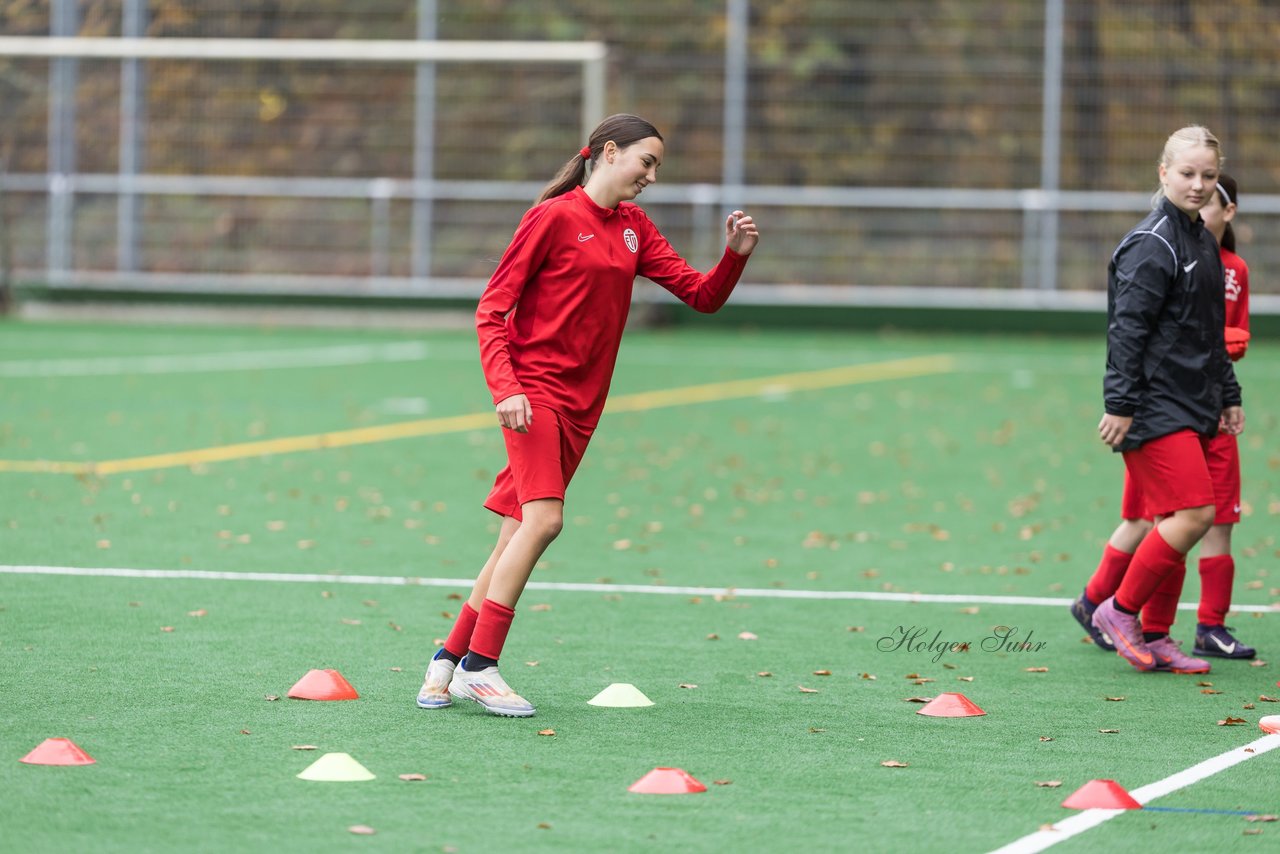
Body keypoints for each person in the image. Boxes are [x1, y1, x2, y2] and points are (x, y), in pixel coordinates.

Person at [415, 114, 759, 716]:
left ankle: (446, 660)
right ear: (609, 152)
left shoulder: (634, 228)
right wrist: (506, 389)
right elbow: (491, 310)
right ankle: (480, 666)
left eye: (657, 167)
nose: (652, 176)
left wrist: (734, 257)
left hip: (582, 406)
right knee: (544, 522)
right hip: (533, 396)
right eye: (646, 162)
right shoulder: (552, 217)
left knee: (513, 538)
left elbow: (701, 296)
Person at [1070, 172, 1255, 664]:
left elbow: (1210, 335)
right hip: (1158, 405)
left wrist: (1228, 393)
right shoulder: (1154, 243)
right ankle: (1112, 607)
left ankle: (1156, 635)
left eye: (1208, 176)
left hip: (1196, 402)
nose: (1198, 185)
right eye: (1188, 173)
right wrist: (1120, 404)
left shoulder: (1208, 249)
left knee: (1178, 520)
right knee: (1183, 517)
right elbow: (1128, 329)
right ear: (1164, 173)